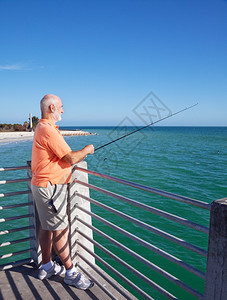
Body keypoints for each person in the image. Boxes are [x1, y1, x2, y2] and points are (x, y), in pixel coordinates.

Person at [31, 94, 94, 290]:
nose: (63, 110)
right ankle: (70, 273)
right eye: (61, 107)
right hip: (50, 188)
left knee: (47, 226)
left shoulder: (42, 128)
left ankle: (47, 265)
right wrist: (87, 149)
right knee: (60, 229)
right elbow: (71, 158)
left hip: (43, 186)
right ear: (51, 109)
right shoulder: (47, 130)